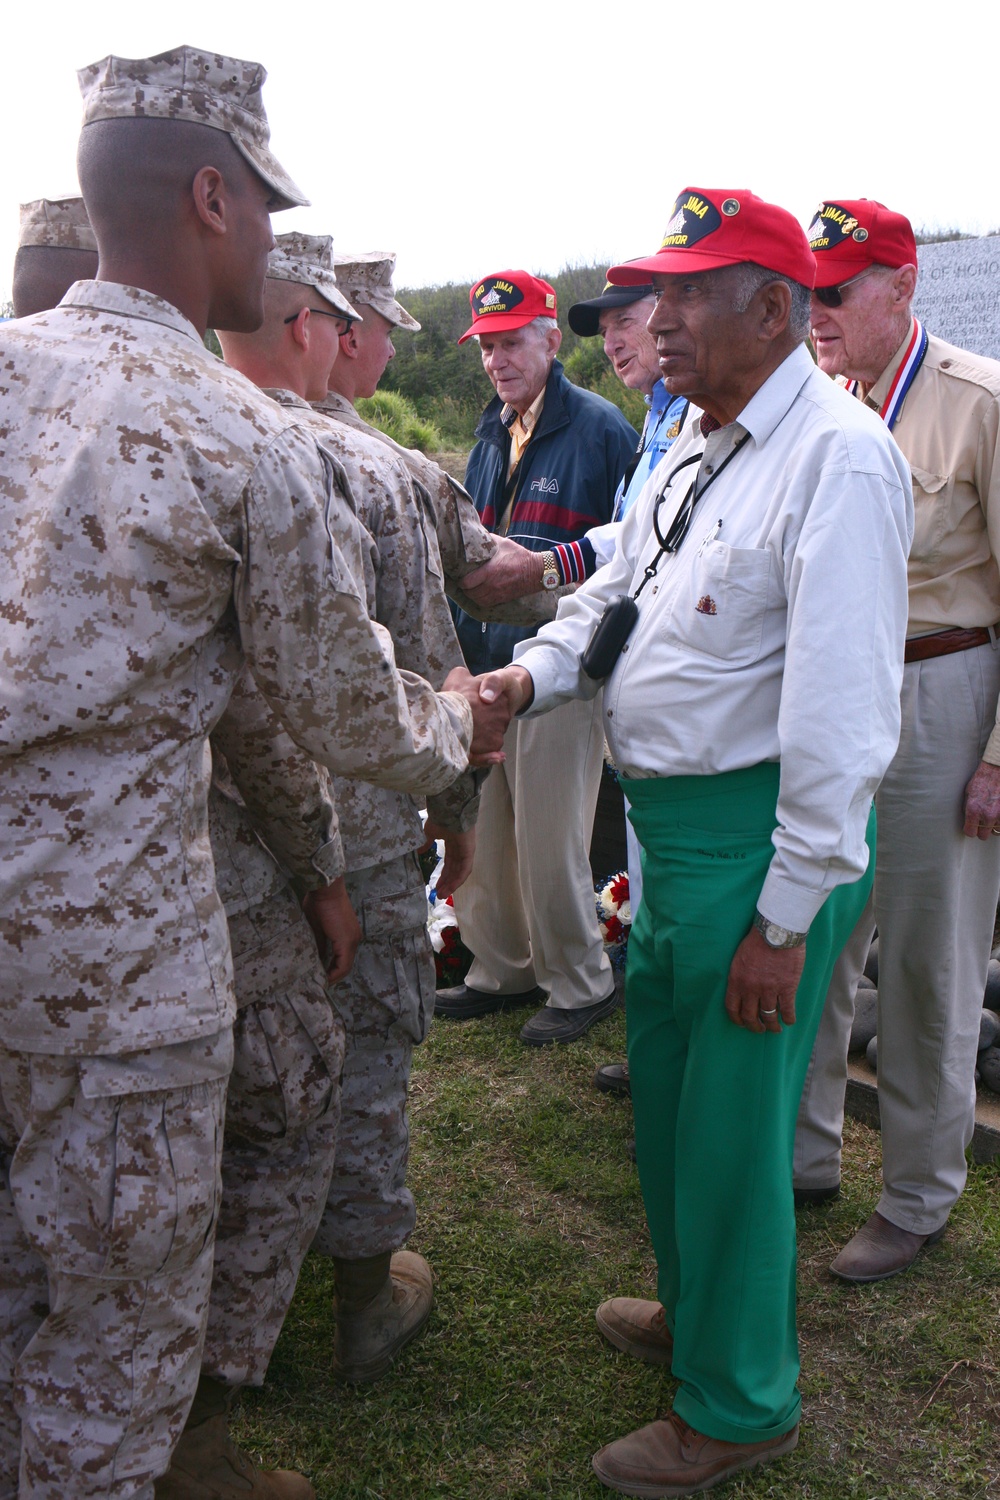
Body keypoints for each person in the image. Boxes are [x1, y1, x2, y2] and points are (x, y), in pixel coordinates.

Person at [0, 46, 505, 1500]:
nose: (280, 249)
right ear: (210, 198)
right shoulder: (242, 440)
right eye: (271, 215)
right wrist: (455, 732)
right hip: (117, 980)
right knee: (116, 1333)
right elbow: (339, 713)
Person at [477, 187, 913, 1495]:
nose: (652, 320)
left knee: (731, 1132)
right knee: (671, 1110)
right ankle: (699, 1309)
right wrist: (525, 681)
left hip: (753, 843)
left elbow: (842, 717)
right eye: (654, 292)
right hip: (671, 830)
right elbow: (617, 598)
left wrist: (784, 919)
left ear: (770, 311)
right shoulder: (693, 439)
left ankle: (739, 1402)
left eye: (686, 295)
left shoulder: (837, 457)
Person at [219, 231, 485, 1385]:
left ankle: (240, 1317)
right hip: (366, 825)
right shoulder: (363, 468)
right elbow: (429, 669)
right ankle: (364, 1299)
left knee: (252, 1074)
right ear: (306, 325)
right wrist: (459, 805)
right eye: (336, 317)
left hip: (229, 843)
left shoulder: (186, 438)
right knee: (365, 1059)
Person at [793, 199, 1000, 1280]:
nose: (816, 310)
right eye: (809, 291)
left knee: (928, 960)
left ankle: (918, 1193)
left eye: (838, 289)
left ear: (902, 285)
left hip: (941, 689)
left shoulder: (976, 402)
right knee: (819, 924)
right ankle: (807, 1151)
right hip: (839, 690)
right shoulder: (824, 407)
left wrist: (999, 755)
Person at [440, 270, 639, 1044]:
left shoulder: (601, 430)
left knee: (553, 831)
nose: (497, 359)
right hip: (489, 658)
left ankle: (579, 980)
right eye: (487, 345)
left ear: (552, 341)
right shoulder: (492, 429)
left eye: (512, 340)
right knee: (488, 821)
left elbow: (622, 560)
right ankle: (500, 967)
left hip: (563, 664)